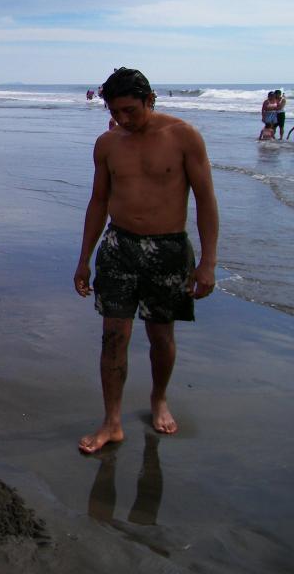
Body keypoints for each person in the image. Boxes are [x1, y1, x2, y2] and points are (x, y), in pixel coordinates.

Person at [74, 68, 218, 454]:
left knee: (160, 335)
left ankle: (158, 399)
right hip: (118, 246)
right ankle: (112, 421)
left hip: (168, 249)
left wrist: (208, 262)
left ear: (150, 100)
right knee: (113, 337)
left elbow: (205, 200)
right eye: (116, 111)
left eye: (131, 110)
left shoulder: (183, 137)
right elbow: (98, 201)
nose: (124, 119)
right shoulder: (107, 144)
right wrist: (84, 258)